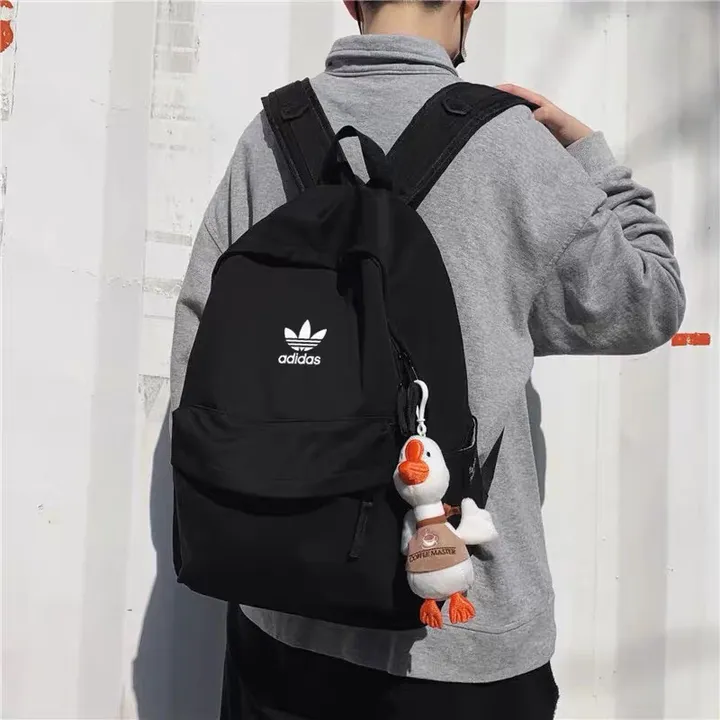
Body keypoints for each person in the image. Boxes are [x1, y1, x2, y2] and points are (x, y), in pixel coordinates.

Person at [171, 1, 685, 718]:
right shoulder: (511, 143)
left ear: (350, 1)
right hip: (458, 629)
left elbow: (200, 343)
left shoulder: (270, 134)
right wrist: (589, 154)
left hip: (280, 620)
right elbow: (647, 301)